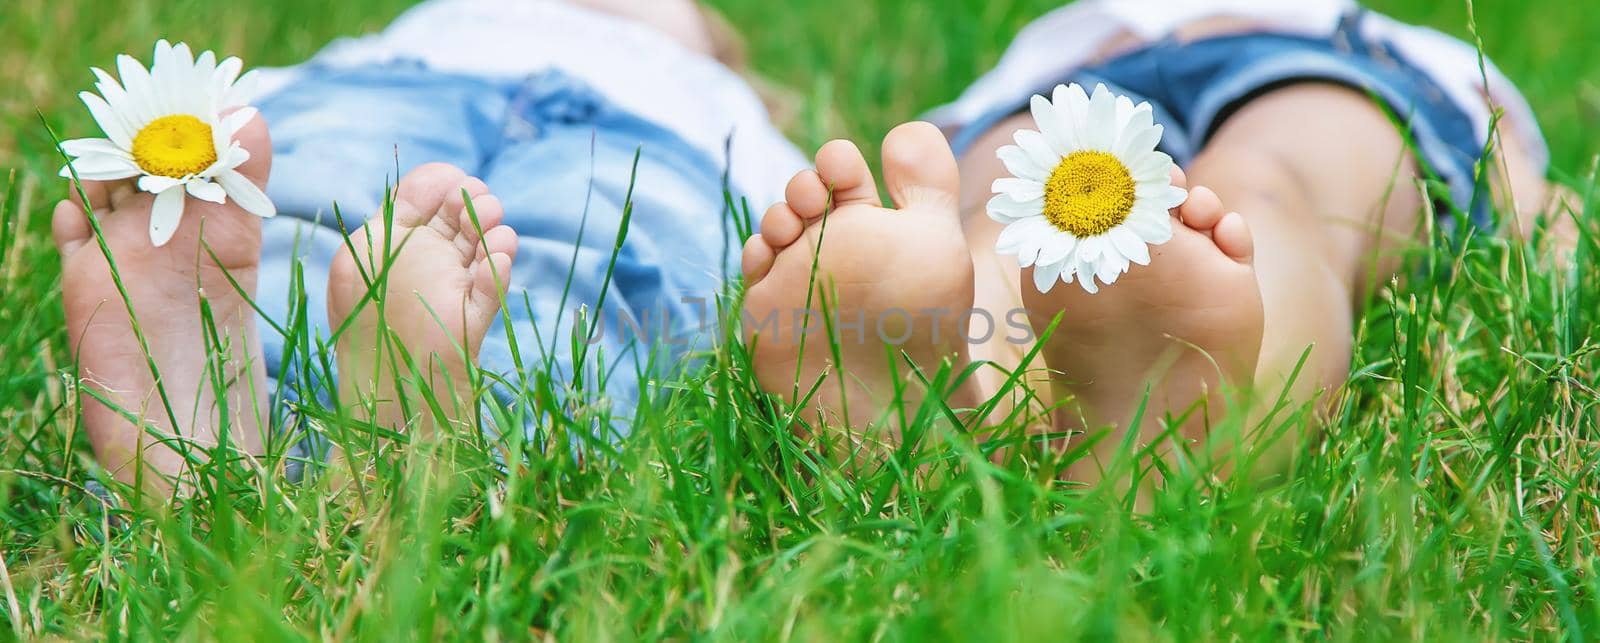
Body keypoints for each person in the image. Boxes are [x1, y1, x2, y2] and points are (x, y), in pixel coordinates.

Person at [737, 0, 1580, 481]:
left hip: (1321, 59)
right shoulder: (1050, 36)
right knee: (1024, 218)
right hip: (1061, 83)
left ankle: (1156, 406)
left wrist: (1534, 204)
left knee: (1253, 194)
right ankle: (952, 392)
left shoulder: (1403, 39)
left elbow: (1509, 152)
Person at [53, 0, 807, 490]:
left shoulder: (718, 95)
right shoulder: (418, 27)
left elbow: (791, 220)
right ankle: (218, 400)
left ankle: (233, 444)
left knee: (588, 268)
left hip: (646, 129)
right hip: (397, 84)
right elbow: (265, 108)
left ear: (714, 43)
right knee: (303, 208)